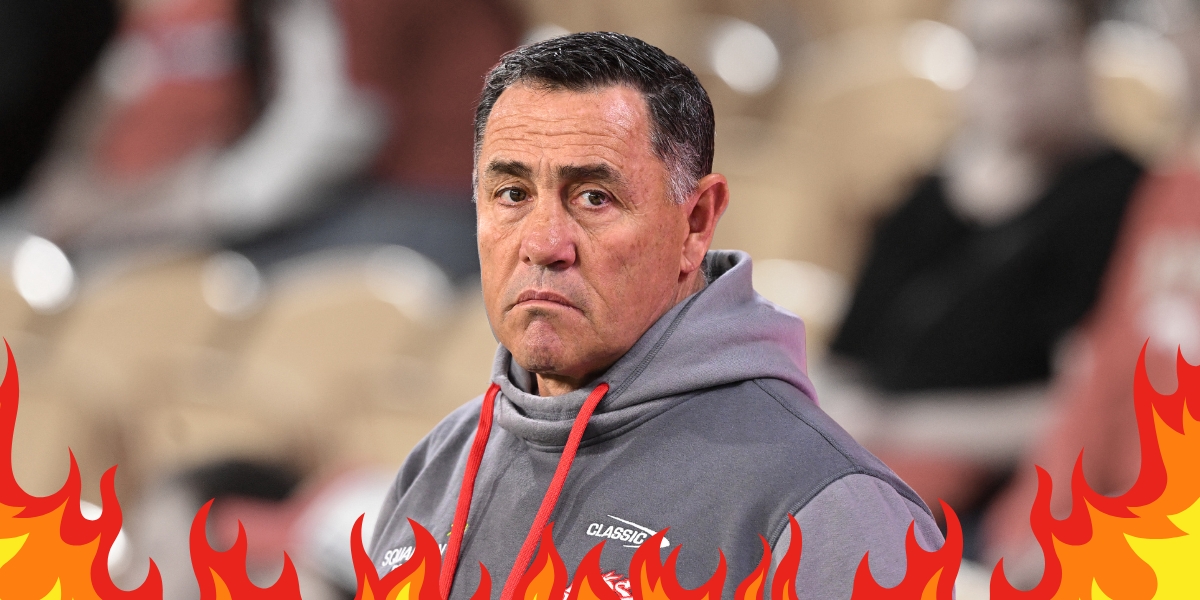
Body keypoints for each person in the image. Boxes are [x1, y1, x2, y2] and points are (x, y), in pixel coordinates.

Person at [369, 32, 942, 600]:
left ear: (696, 223)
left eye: (594, 197)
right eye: (513, 194)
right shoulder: (438, 463)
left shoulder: (830, 510)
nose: (543, 244)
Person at [817, 0, 1144, 546]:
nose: (1007, 71)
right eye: (986, 48)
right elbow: (843, 361)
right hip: (874, 474)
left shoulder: (1123, 201)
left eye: (1030, 45)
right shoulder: (927, 195)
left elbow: (1085, 410)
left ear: (1084, 50)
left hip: (1004, 510)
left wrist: (896, 423)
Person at [983, 0, 1200, 583]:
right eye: (1183, 20)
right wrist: (1033, 529)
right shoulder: (1167, 187)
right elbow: (1102, 370)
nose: (1185, 39)